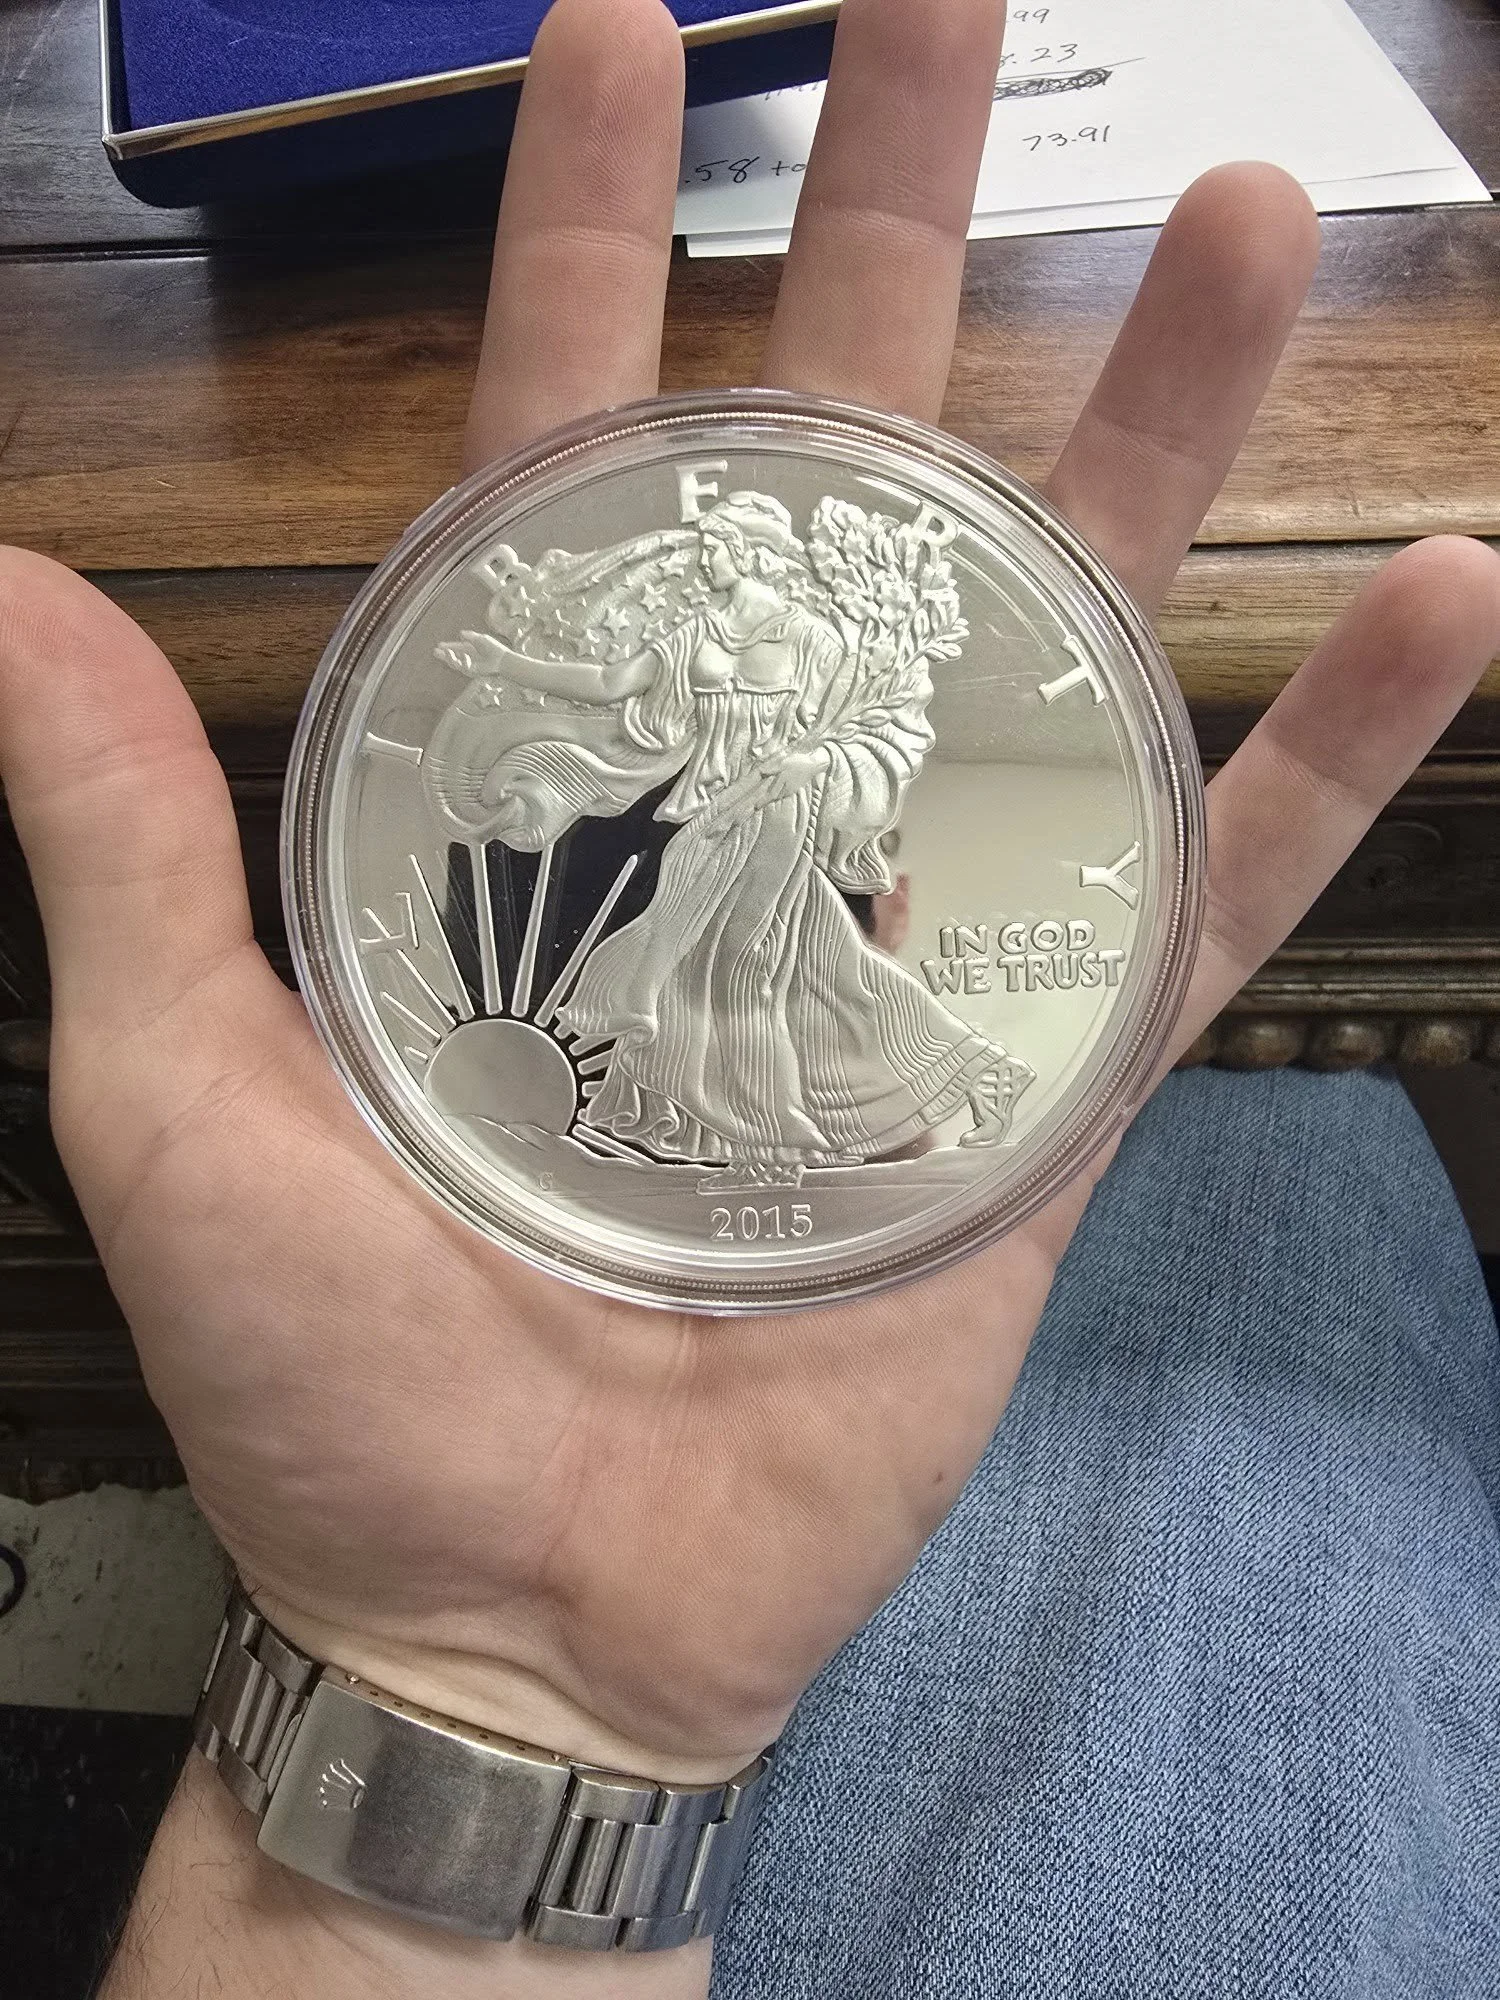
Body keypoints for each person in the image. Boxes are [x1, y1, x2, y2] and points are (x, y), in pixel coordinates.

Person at [0, 0, 1496, 1994]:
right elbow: (647, 741)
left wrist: (454, 1723)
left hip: (791, 859)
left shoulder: (829, 689)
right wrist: (482, 1676)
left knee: (836, 1022)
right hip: (748, 854)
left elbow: (818, 784)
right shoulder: (746, 655)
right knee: (1299, 1173)